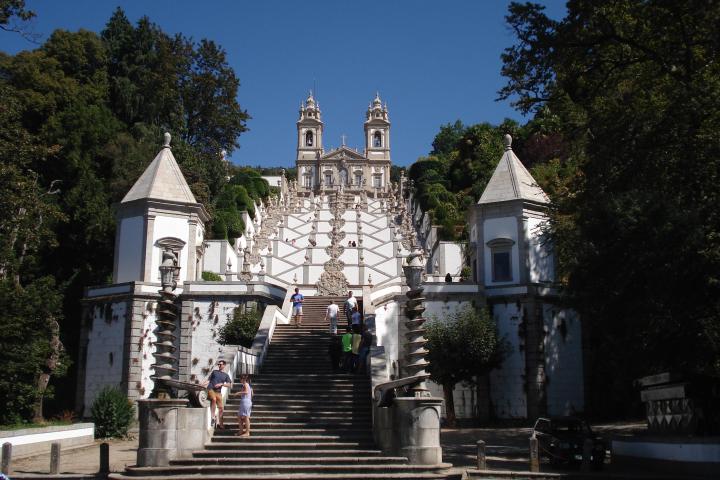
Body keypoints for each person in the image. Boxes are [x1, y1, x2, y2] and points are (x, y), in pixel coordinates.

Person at [206, 360, 232, 429]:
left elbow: (229, 384)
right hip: (211, 389)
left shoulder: (226, 375)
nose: (219, 365)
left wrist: (222, 384)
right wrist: (202, 384)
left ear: (224, 365)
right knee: (213, 399)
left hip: (218, 392)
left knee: (221, 408)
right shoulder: (214, 372)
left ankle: (221, 424)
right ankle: (213, 416)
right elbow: (208, 380)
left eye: (220, 364)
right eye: (218, 364)